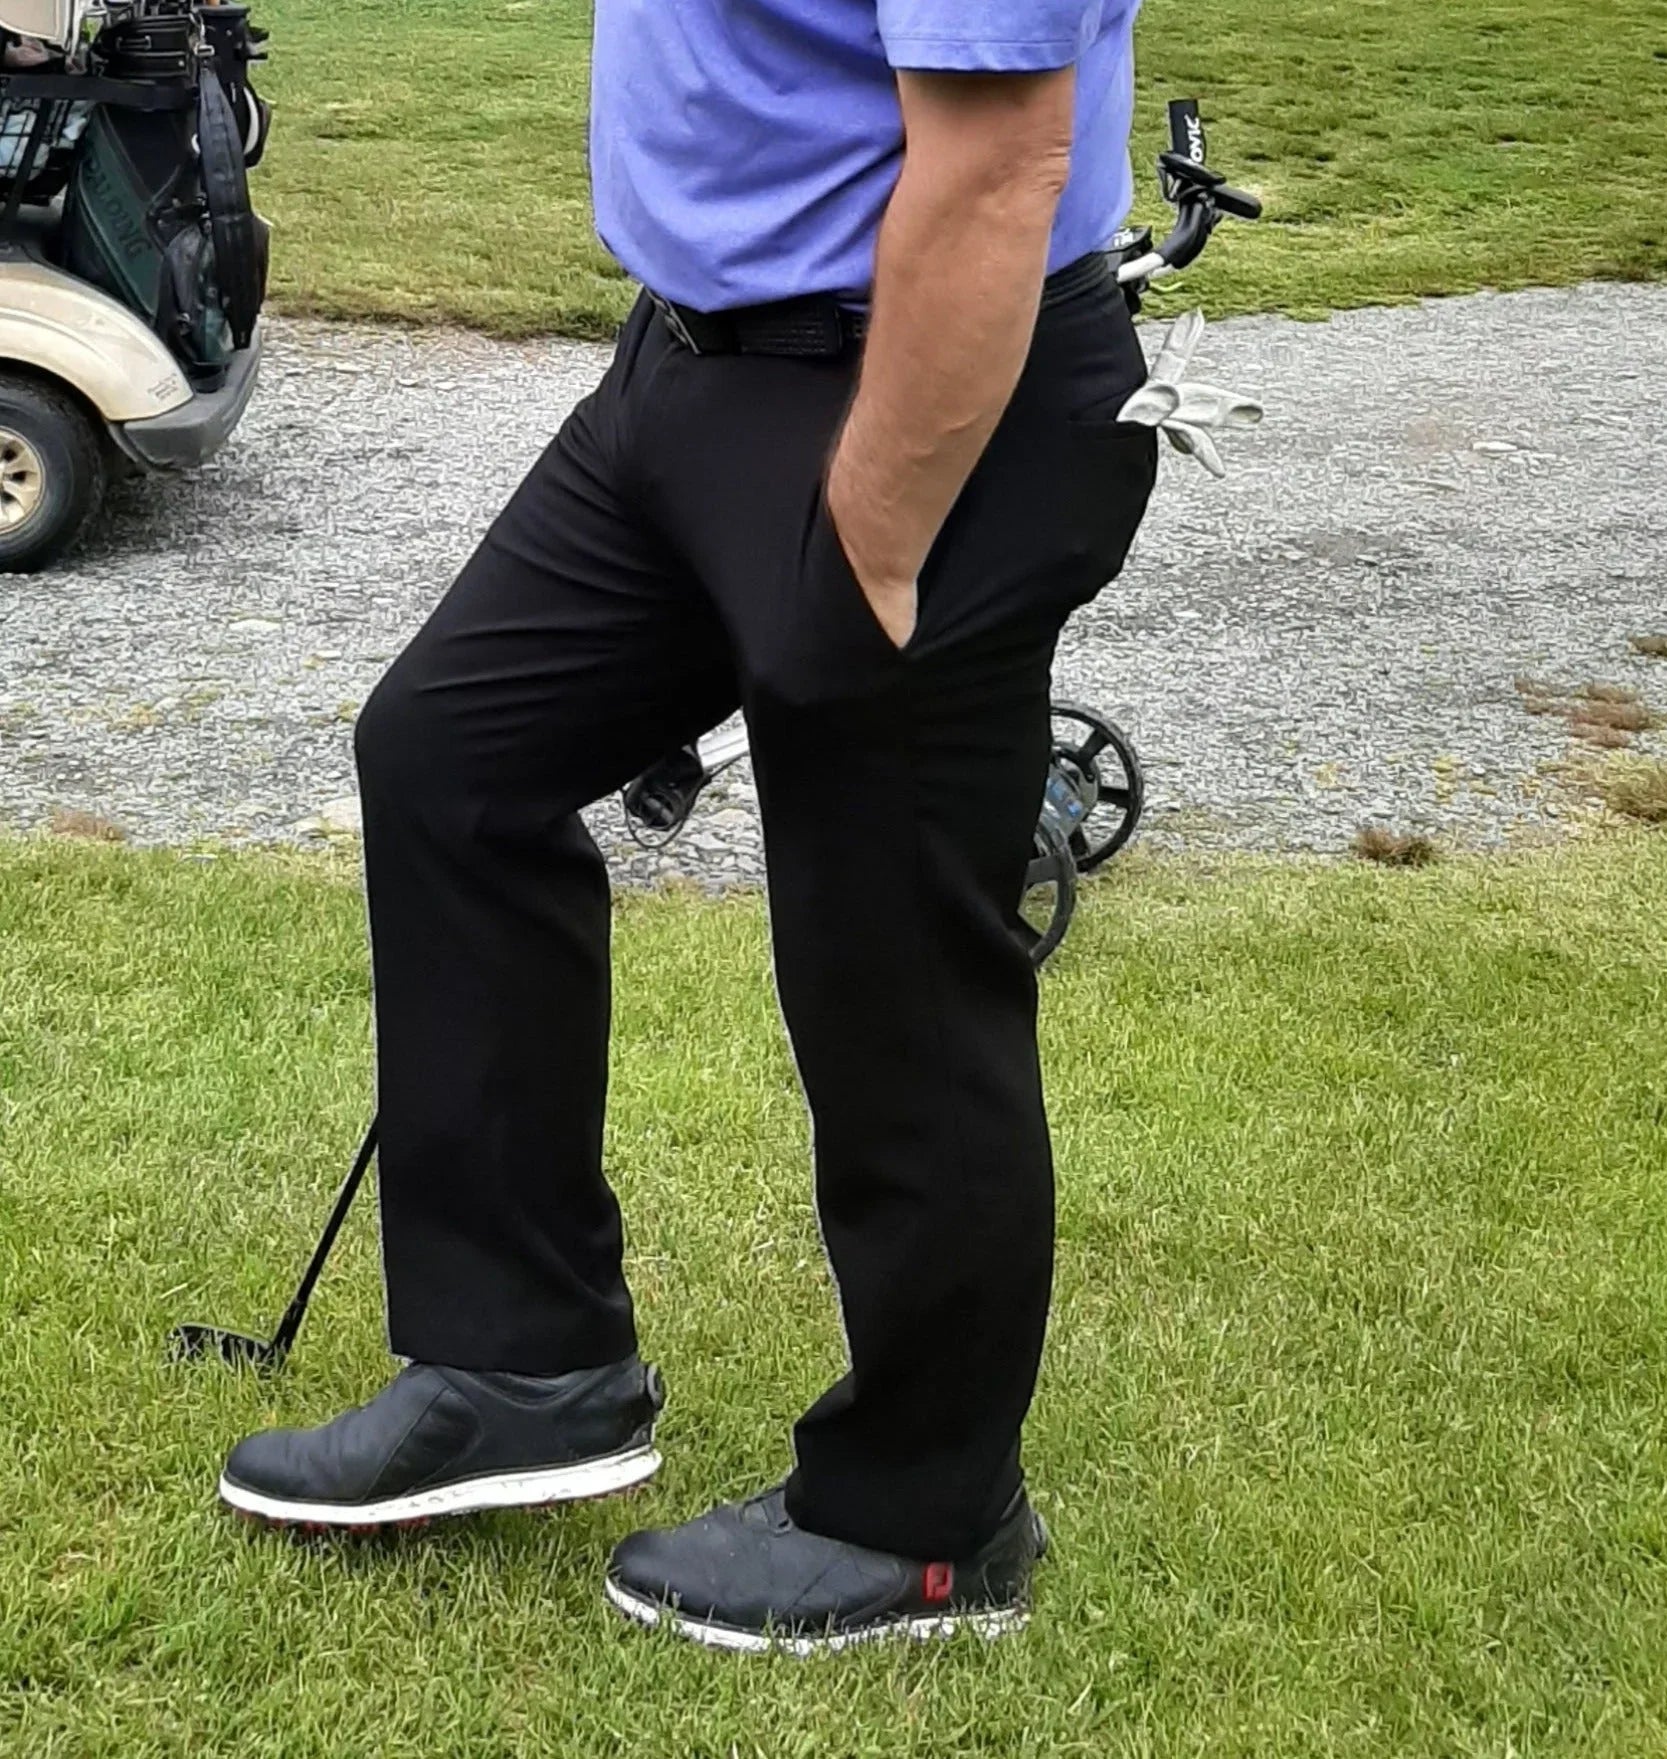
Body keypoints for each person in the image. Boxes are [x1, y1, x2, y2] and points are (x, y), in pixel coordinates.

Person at [219, 0, 1157, 1652]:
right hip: (693, 369)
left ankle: (927, 1523)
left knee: (892, 962)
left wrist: (869, 548)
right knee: (452, 758)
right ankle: (529, 1363)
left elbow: (1002, 161)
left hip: (929, 391)